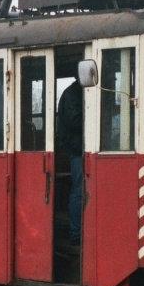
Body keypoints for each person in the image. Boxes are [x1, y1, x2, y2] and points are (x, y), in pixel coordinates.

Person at [56, 79, 84, 245]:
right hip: (77, 148)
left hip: (79, 147)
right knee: (79, 189)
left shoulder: (75, 92)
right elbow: (73, 121)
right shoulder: (73, 94)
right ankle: (75, 233)